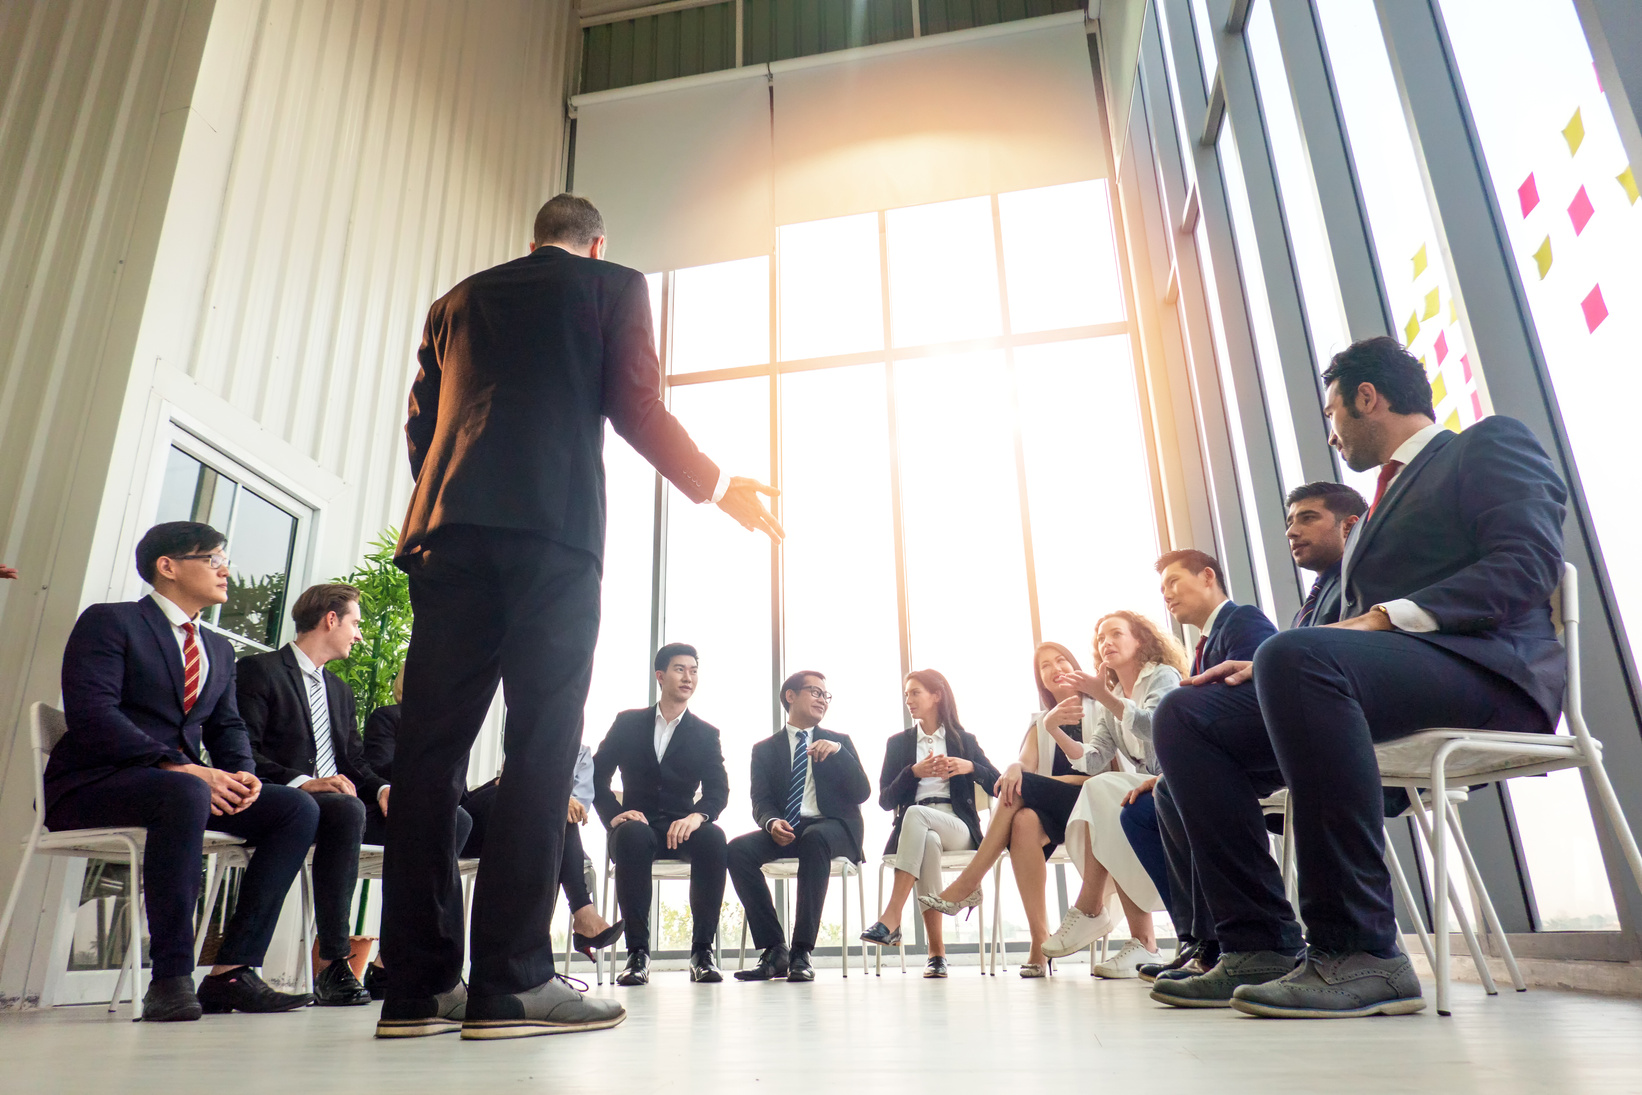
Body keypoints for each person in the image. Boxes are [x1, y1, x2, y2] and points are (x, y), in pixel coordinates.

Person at [378, 194, 782, 1040]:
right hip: (552, 539)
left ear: (533, 239)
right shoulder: (611, 286)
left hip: (447, 539)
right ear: (596, 243)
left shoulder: (456, 301)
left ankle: (415, 987)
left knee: (428, 755)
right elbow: (635, 406)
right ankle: (510, 982)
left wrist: (457, 501)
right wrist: (719, 486)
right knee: (541, 746)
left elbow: (422, 427)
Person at [1157, 336, 1566, 1019]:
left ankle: (1362, 949)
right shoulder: (1377, 505)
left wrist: (1376, 621)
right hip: (1382, 684)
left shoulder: (1485, 446)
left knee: (1294, 652)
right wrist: (1273, 663)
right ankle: (1257, 942)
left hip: (1491, 671)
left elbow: (1526, 566)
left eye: (1333, 413)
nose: (1333, 432)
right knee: (1188, 717)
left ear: (1367, 398)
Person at [46, 521, 318, 1021]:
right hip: (94, 783)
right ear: (166, 567)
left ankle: (231, 972)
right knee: (186, 793)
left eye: (225, 558)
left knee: (295, 808)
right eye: (212, 558)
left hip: (178, 789)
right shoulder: (111, 622)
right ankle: (170, 979)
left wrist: (241, 775)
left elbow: (227, 725)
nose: (226, 570)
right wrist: (184, 768)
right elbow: (93, 714)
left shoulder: (217, 648)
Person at [1131, 484, 1365, 985]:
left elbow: (1271, 684)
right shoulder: (1306, 599)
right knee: (1155, 801)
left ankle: (1239, 940)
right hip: (1272, 737)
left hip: (1305, 732)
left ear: (1208, 577)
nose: (1167, 594)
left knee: (1177, 750)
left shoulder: (1242, 620)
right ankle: (1207, 938)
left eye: (1174, 581)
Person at [237, 583, 388, 1007]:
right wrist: (304, 782)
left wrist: (385, 789)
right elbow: (244, 751)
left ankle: (396, 964)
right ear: (331, 619)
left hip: (342, 806)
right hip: (286, 802)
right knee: (344, 808)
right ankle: (335, 962)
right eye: (355, 623)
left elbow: (354, 763)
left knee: (437, 821)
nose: (358, 634)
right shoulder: (259, 670)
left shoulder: (339, 691)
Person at [921, 642, 1094, 977]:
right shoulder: (1040, 721)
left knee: (1020, 788)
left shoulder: (1098, 710)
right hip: (1053, 811)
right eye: (1044, 666)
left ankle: (970, 880)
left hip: (1091, 801)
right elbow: (1026, 764)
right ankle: (1038, 940)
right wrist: (1015, 765)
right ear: (1040, 679)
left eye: (1061, 660)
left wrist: (1031, 778)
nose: (1054, 668)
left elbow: (1105, 775)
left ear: (1076, 666)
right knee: (1024, 820)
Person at [1041, 611, 1187, 977]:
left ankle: (1091, 909)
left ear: (1140, 640)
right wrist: (1052, 729)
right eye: (1100, 638)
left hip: (1178, 781)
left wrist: (1103, 696)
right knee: (1103, 798)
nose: (1106, 643)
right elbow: (1093, 760)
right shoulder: (1115, 695)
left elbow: (1156, 726)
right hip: (1144, 786)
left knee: (1103, 793)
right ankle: (1141, 942)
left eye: (1115, 634)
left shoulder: (1161, 676)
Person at [593, 643, 730, 986]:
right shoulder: (628, 723)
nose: (688, 677)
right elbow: (595, 775)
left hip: (682, 827)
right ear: (660, 675)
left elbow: (717, 790)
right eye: (680, 669)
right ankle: (637, 954)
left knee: (714, 837)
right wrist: (614, 815)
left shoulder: (705, 733)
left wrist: (697, 817)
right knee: (633, 835)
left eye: (694, 670)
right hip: (636, 828)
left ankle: (702, 952)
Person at [729, 671, 870, 983]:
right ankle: (774, 949)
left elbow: (862, 792)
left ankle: (801, 951)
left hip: (834, 830)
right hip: (789, 828)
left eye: (825, 695)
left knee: (815, 838)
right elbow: (760, 800)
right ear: (790, 696)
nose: (822, 699)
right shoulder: (764, 749)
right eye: (815, 692)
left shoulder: (840, 742)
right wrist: (770, 821)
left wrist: (839, 754)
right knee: (737, 849)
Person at [861, 670, 1002, 978]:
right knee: (925, 840)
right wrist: (914, 771)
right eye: (906, 694)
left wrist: (969, 766)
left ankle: (891, 917)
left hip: (958, 828)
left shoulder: (963, 741)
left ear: (936, 695)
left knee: (914, 814)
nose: (908, 700)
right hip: (919, 831)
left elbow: (998, 784)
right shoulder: (898, 744)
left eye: (915, 693)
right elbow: (885, 800)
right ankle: (936, 954)